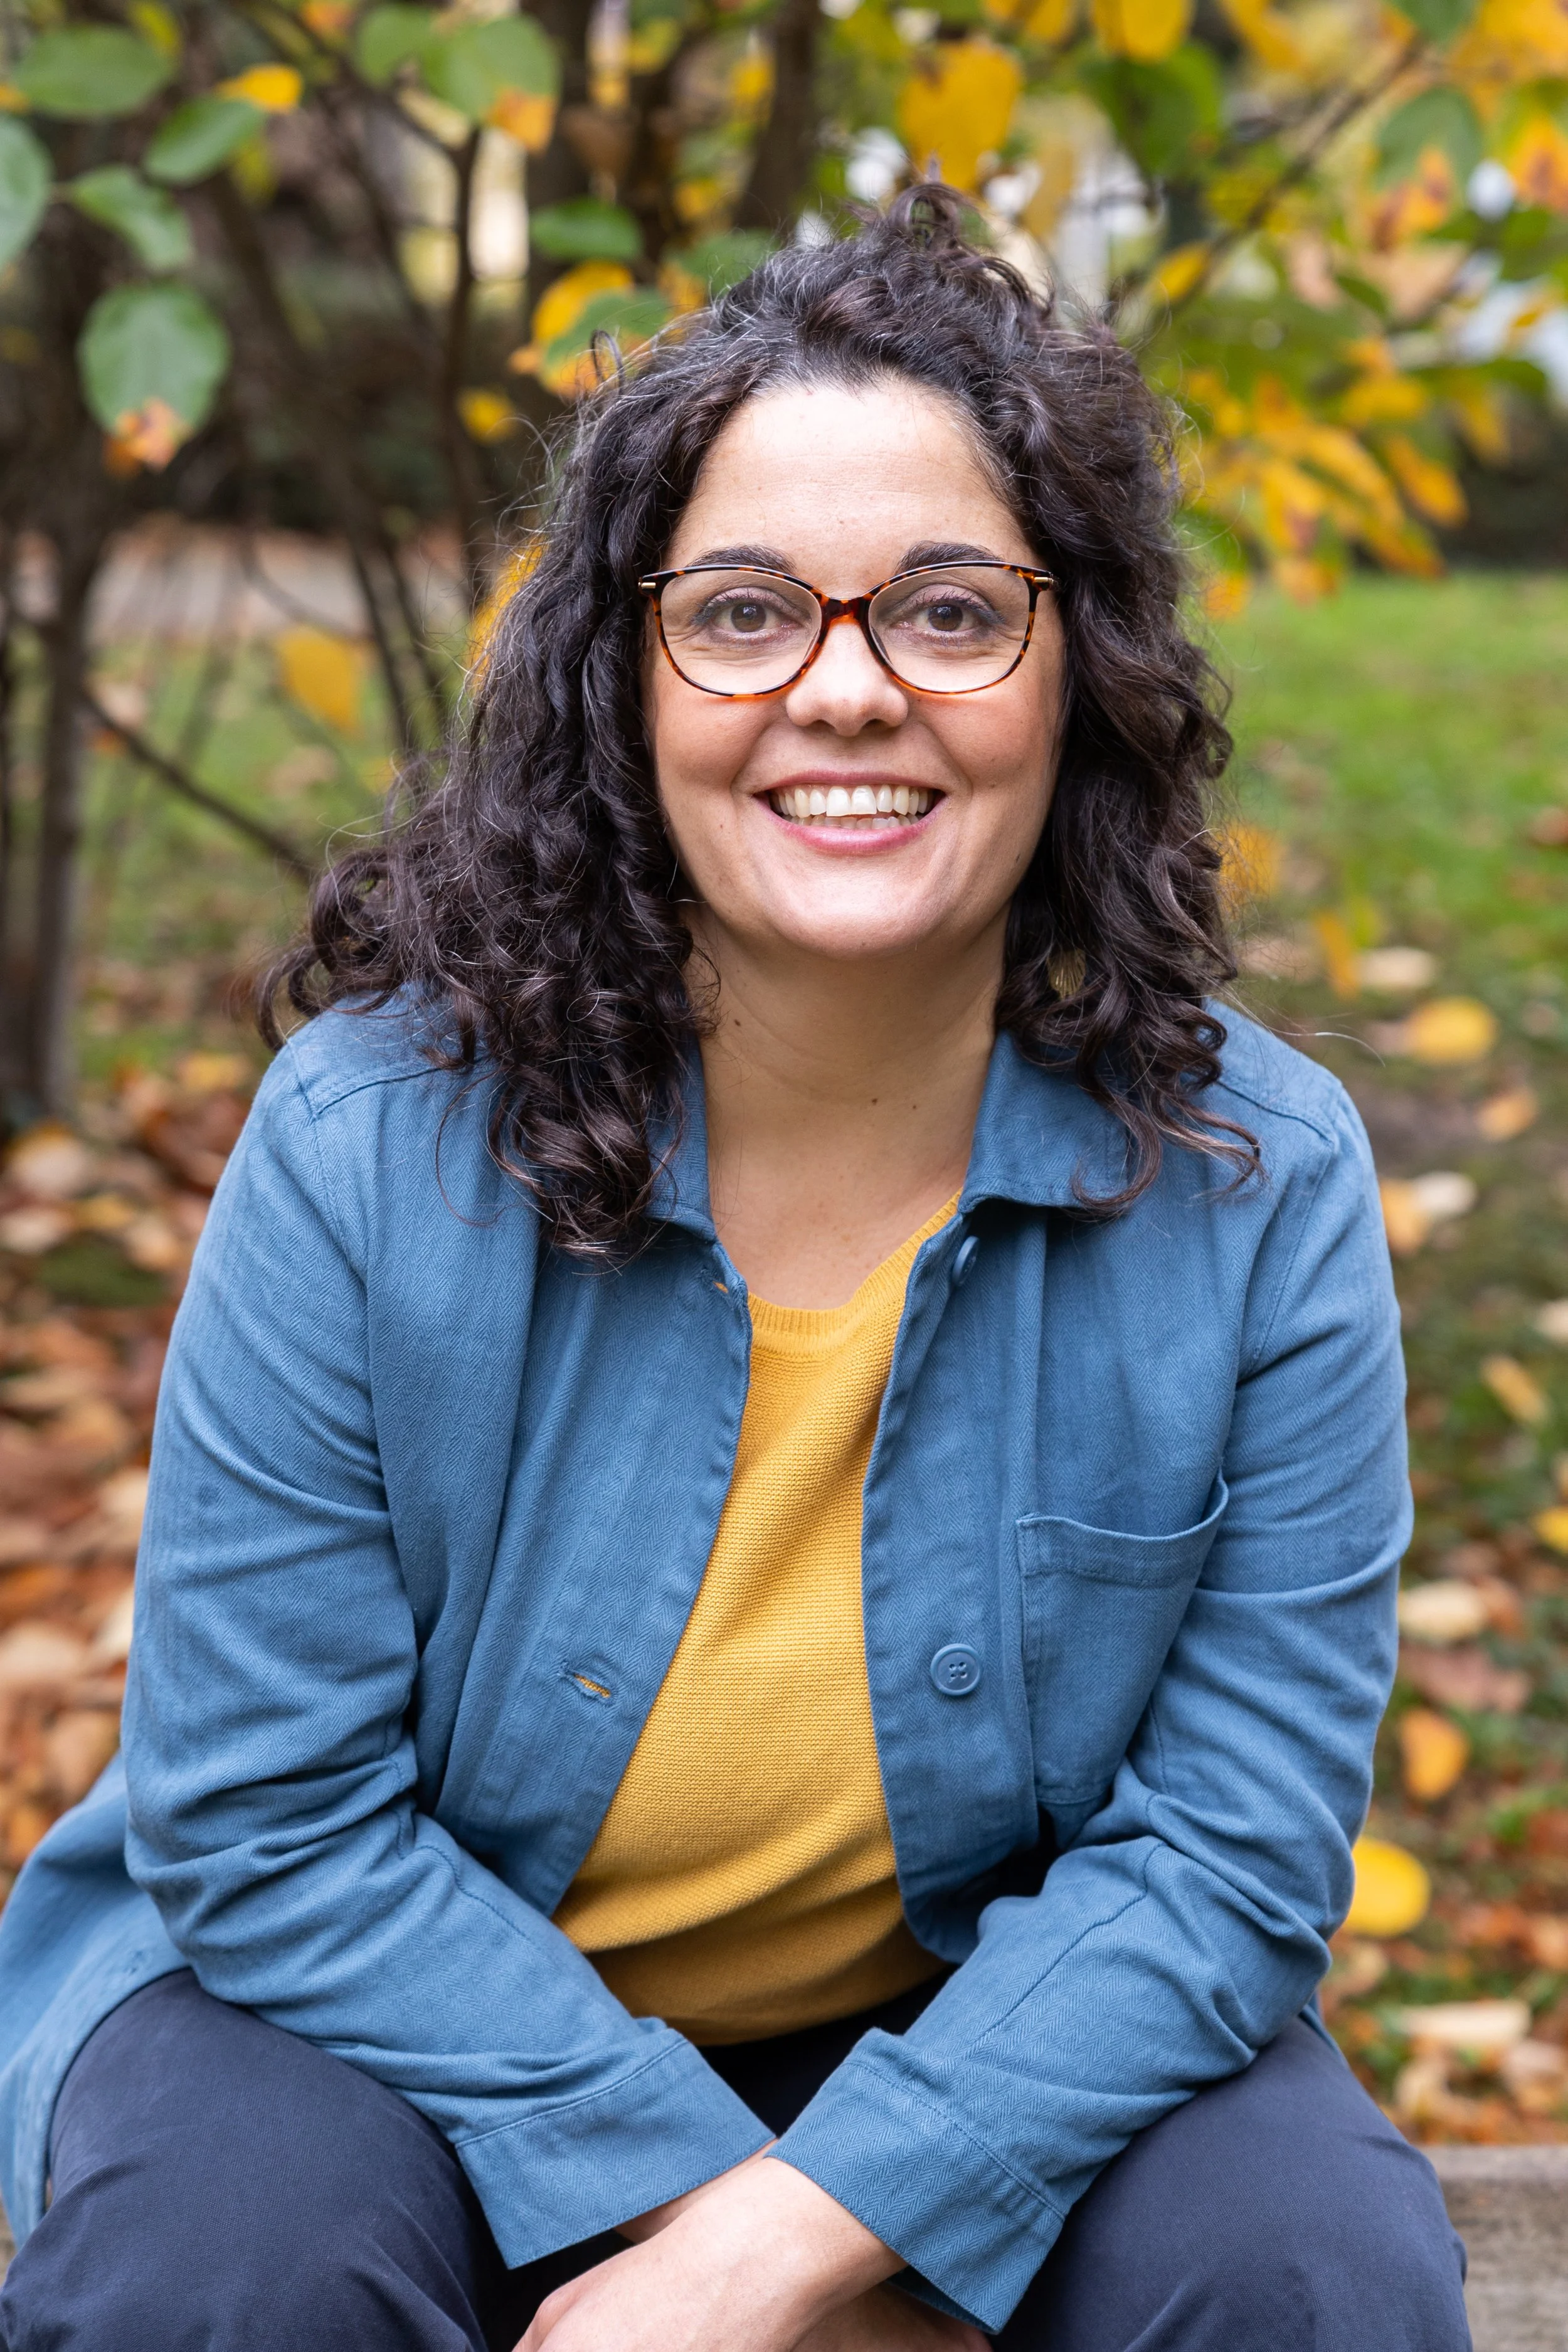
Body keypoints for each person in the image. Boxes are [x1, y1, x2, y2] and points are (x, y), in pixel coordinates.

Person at [0, 191, 1468, 2352]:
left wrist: (814, 2224)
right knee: (231, 2255)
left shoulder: (1254, 1183)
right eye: (746, 611)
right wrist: (738, 2233)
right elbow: (269, 1824)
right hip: (368, 2011)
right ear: (624, 679)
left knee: (1307, 2264)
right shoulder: (367, 1148)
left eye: (951, 611)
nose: (846, 689)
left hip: (958, 2023)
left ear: (1079, 669)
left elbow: (1229, 1856)